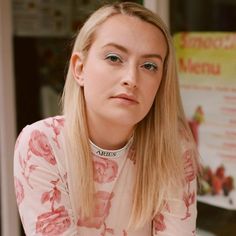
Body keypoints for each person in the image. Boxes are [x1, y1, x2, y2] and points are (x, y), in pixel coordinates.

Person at [14, 2, 199, 235]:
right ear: (79, 68)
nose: (131, 78)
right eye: (114, 58)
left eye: (149, 65)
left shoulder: (173, 147)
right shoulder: (43, 144)